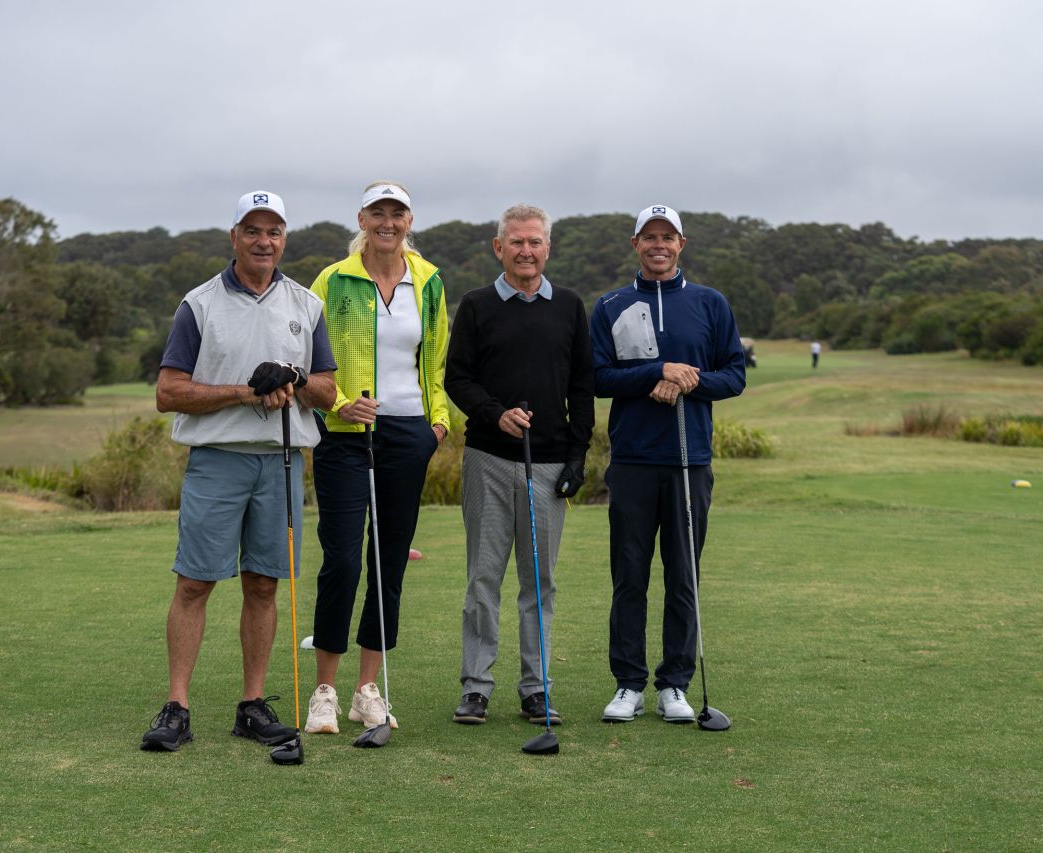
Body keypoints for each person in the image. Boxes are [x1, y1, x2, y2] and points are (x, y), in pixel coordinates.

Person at [141, 191, 338, 751]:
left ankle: (252, 705)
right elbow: (168, 392)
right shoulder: (199, 303)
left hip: (279, 461)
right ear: (234, 237)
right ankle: (177, 706)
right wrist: (243, 391)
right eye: (252, 230)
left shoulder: (305, 304)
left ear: (284, 239)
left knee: (262, 583)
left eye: (273, 231)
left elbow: (326, 390)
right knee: (195, 582)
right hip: (217, 460)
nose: (263, 241)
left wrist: (294, 381)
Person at [589, 204, 745, 724]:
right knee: (629, 575)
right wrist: (656, 370)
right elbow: (596, 378)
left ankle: (674, 683)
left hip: (689, 461)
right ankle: (628, 684)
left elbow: (734, 376)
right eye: (649, 236)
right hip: (633, 460)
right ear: (635, 243)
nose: (659, 245)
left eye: (668, 237)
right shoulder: (611, 304)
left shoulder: (710, 303)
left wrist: (686, 378)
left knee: (684, 575)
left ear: (682, 243)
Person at [303, 181, 450, 735]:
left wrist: (438, 424)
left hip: (409, 431)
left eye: (398, 213)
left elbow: (434, 359)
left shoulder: (428, 280)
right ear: (362, 218)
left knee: (386, 563)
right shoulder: (332, 279)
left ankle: (367, 690)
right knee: (340, 559)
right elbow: (312, 359)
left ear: (409, 221)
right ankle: (325, 691)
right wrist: (339, 403)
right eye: (378, 212)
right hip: (343, 433)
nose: (388, 222)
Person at [444, 204, 595, 726]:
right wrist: (494, 413)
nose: (526, 251)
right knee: (483, 579)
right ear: (498, 247)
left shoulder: (571, 307)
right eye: (516, 242)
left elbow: (582, 387)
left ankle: (536, 688)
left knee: (539, 583)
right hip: (490, 457)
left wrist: (578, 456)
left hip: (551, 465)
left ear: (548, 248)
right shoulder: (478, 305)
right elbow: (457, 379)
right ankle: (476, 687)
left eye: (535, 242)